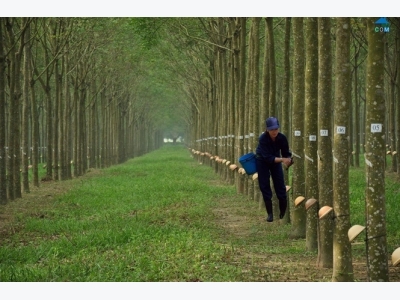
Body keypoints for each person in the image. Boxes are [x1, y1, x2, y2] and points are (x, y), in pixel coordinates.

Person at [255, 117, 293, 222]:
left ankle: (282, 213)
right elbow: (267, 157)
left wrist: (288, 160)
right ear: (267, 129)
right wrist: (282, 159)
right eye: (272, 129)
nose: (274, 131)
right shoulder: (263, 138)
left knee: (280, 183)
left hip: (276, 160)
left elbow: (286, 153)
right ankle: (270, 214)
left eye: (276, 129)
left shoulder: (282, 138)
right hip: (262, 160)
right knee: (264, 185)